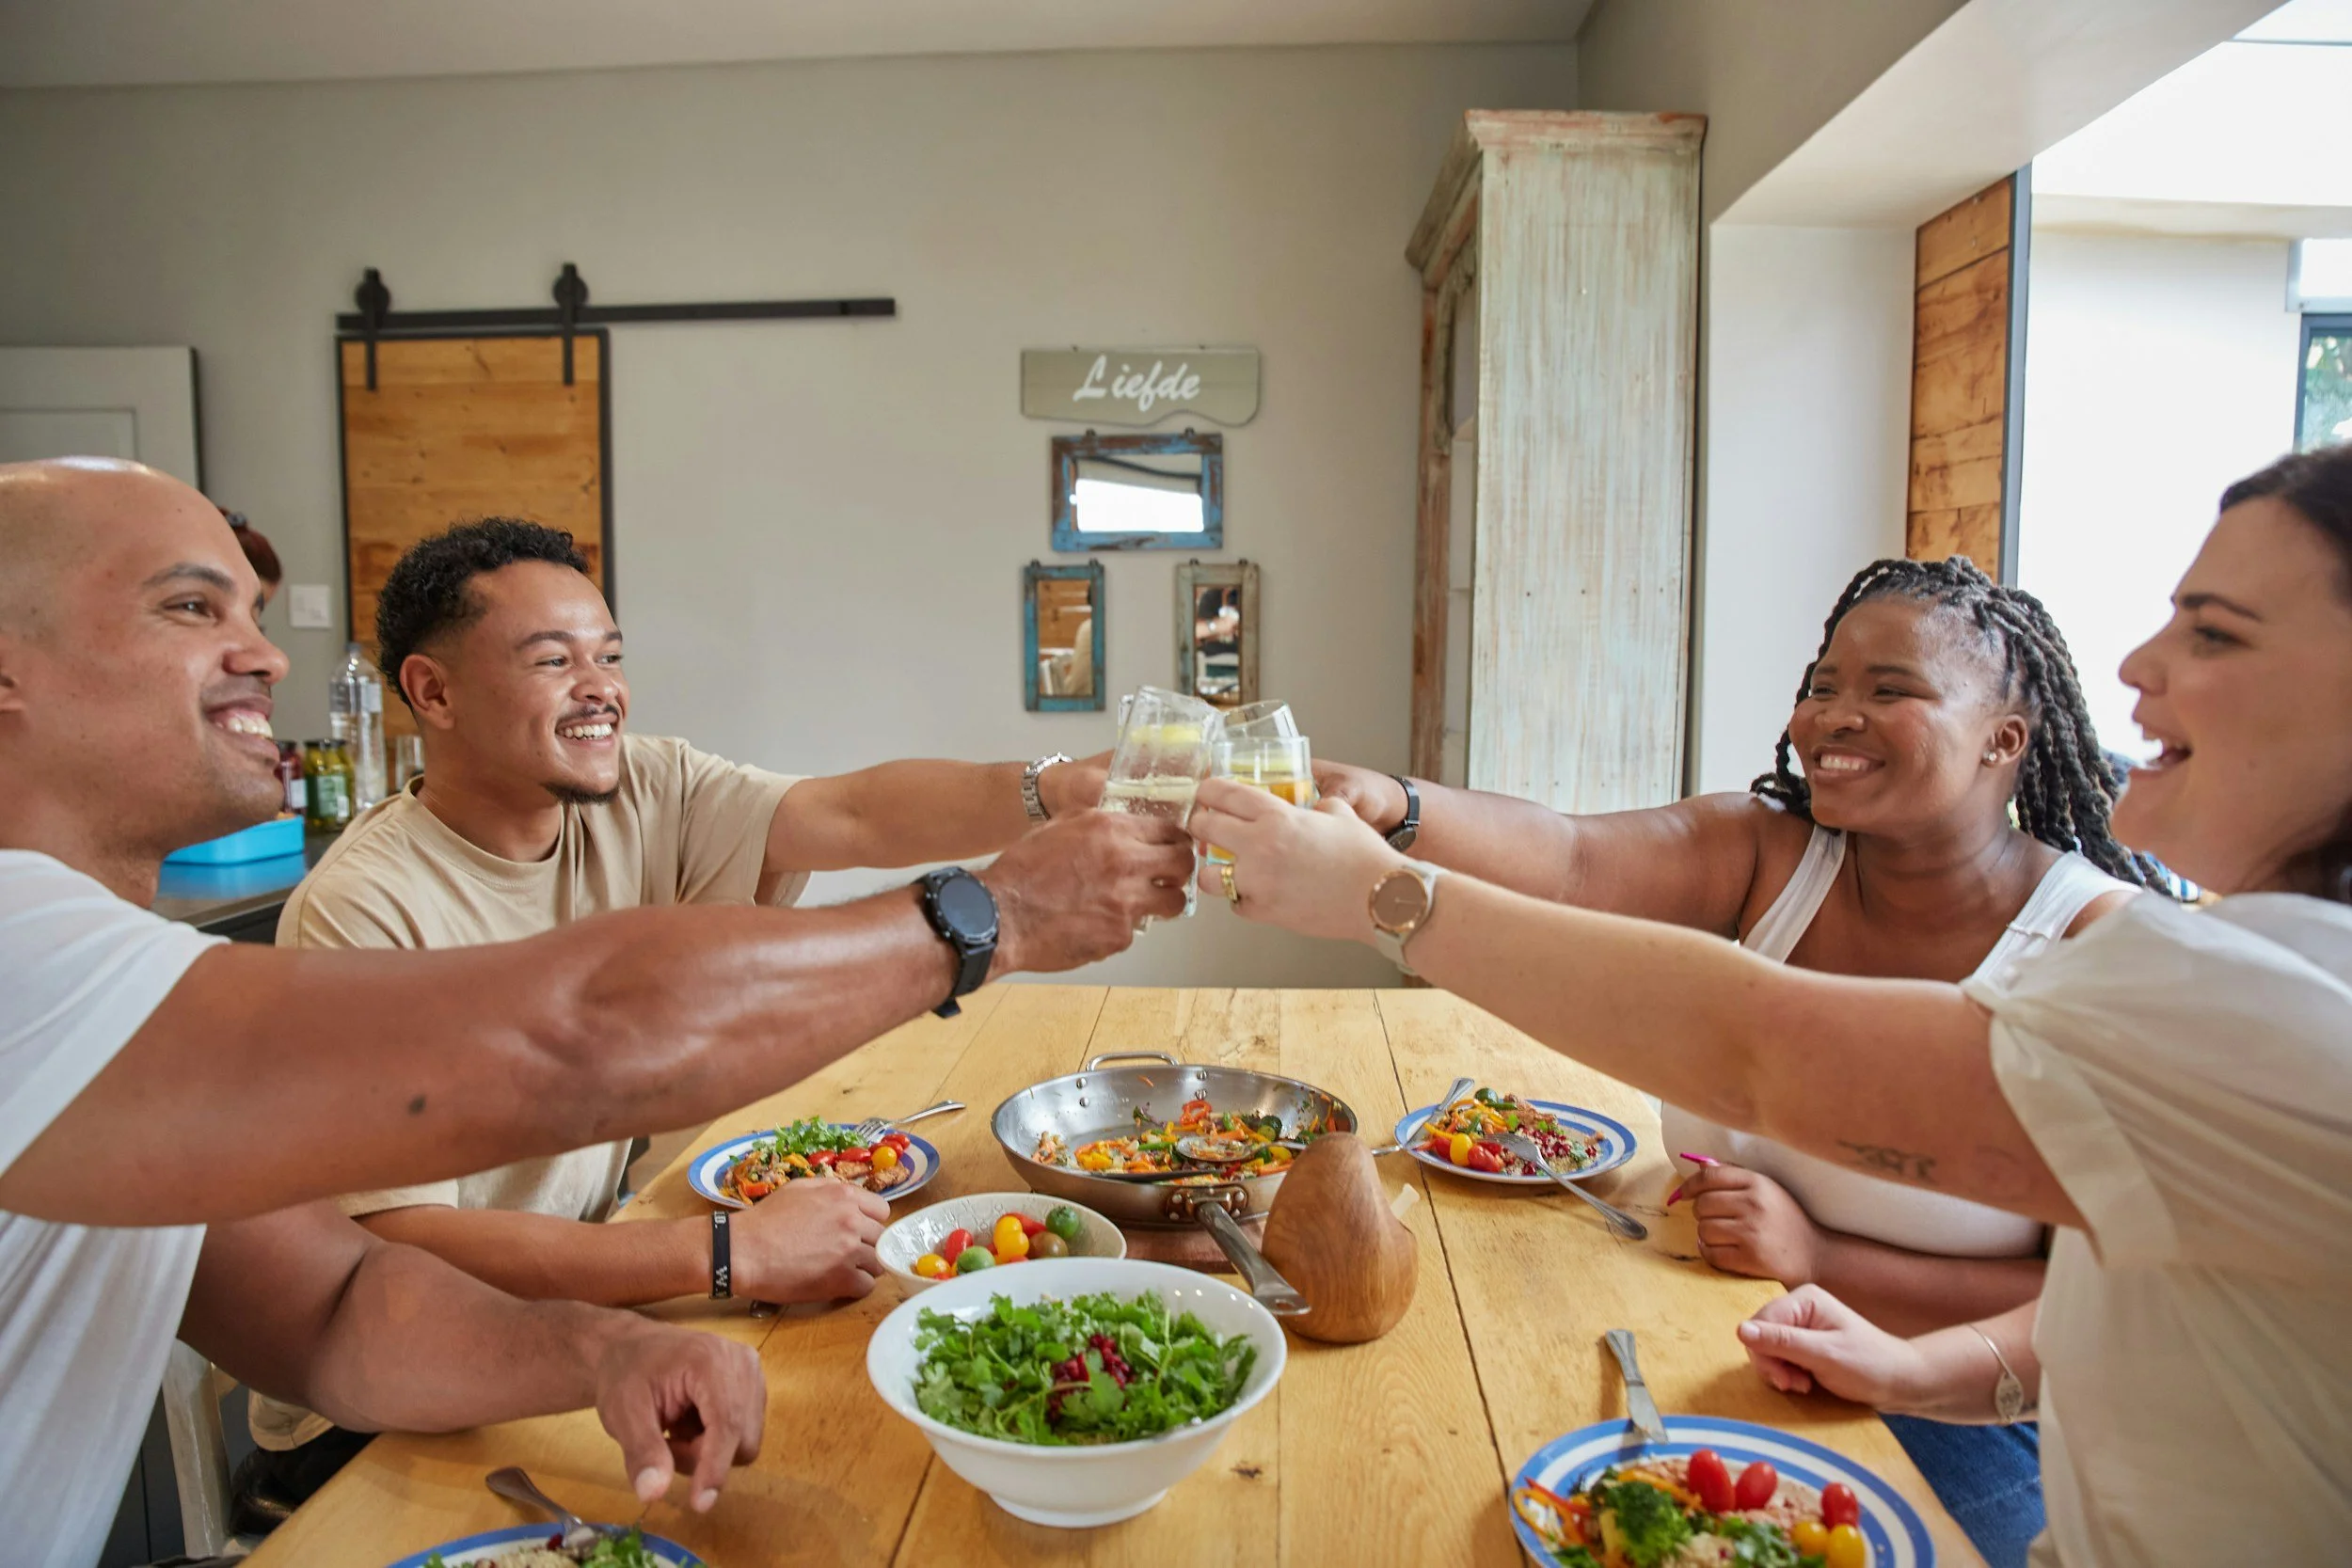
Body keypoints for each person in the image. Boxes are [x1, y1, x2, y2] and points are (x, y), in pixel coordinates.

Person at [0, 457, 1190, 1567]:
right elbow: (579, 1033)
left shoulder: (106, 971)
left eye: (255, 616)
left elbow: (333, 1305)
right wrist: (992, 918)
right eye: (194, 608)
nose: (265, 658)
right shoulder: (24, 955)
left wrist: (605, 1347)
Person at [1193, 445, 2352, 1565]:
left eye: (2213, 631)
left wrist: (1384, 897)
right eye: (1822, 685)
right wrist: (1396, 811)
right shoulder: (2240, 967)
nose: (2141, 661)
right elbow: (2135, 1299)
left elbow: (1761, 1049)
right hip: (1820, 1363)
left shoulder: (2232, 1000)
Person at [235, 516, 1113, 1516]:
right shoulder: (362, 906)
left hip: (576, 1310)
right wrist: (734, 1254)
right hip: (381, 1408)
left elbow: (855, 813)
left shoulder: (638, 786)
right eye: (552, 659)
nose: (600, 686)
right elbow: (406, 1244)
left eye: (608, 655)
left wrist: (1059, 788)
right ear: (432, 692)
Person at [1314, 557, 2152, 1561]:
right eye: (1821, 684)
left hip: (1957, 1412)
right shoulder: (1770, 852)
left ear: (2004, 740)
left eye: (1889, 690)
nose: (1831, 715)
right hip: (1718, 1339)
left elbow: (2112, 1301)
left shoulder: (2096, 945)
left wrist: (1822, 1259)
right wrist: (1396, 806)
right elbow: (1573, 857)